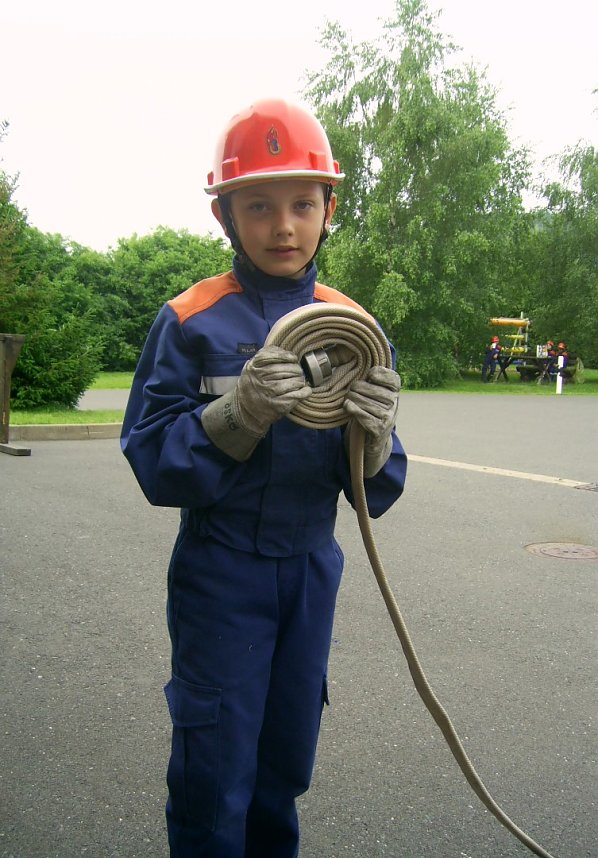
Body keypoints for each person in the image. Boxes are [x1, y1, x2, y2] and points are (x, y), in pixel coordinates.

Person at [120, 98, 407, 858]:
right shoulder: (190, 321)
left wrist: (374, 434)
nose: (284, 226)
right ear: (225, 216)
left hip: (312, 568)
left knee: (284, 759)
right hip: (223, 572)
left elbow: (377, 486)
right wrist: (238, 413)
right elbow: (151, 458)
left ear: (328, 209)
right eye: (259, 206)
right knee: (215, 767)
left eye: (303, 204)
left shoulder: (353, 326)